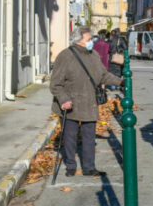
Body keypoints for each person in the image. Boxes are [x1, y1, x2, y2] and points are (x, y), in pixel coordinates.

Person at [50, 27, 123, 177]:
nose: (92, 42)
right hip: (71, 103)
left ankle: (89, 167)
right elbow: (55, 84)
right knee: (70, 136)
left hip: (89, 101)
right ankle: (71, 165)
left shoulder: (94, 55)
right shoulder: (65, 56)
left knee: (89, 136)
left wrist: (121, 82)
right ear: (79, 41)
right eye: (89, 39)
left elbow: (103, 75)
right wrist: (64, 100)